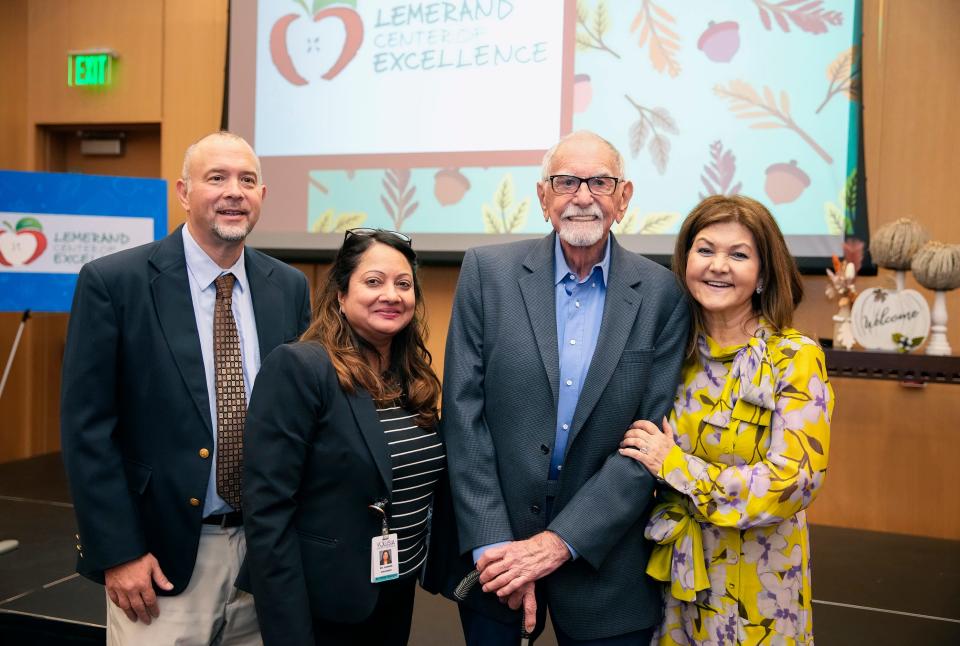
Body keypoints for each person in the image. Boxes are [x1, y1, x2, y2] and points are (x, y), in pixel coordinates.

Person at [60, 131, 311, 645]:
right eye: (216, 178)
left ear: (263, 195)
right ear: (182, 191)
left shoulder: (288, 287)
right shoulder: (115, 283)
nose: (234, 191)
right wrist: (118, 551)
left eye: (247, 180)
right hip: (160, 562)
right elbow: (87, 431)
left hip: (267, 557)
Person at [441, 131, 690, 645]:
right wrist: (494, 545)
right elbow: (464, 416)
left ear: (623, 199)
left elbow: (648, 444)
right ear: (542, 197)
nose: (582, 195)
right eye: (566, 181)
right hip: (498, 558)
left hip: (605, 559)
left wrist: (559, 543)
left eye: (600, 181)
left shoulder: (663, 294)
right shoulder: (487, 273)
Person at [619, 195, 833, 644]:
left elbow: (792, 482)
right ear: (685, 261)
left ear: (763, 274)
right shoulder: (671, 356)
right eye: (705, 249)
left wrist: (676, 467)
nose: (719, 265)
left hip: (760, 590)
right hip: (674, 585)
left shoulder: (794, 357)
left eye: (738, 254)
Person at [239, 228, 446, 646]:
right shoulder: (300, 368)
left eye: (403, 285)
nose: (391, 294)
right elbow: (268, 511)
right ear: (339, 295)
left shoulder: (413, 377)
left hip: (393, 591)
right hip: (323, 605)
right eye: (373, 282)